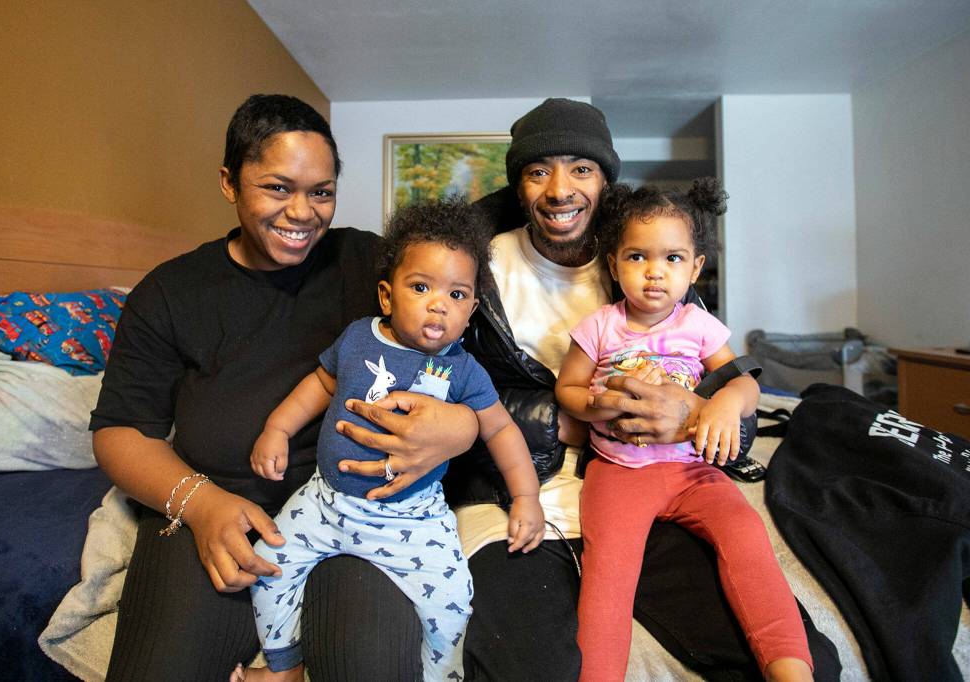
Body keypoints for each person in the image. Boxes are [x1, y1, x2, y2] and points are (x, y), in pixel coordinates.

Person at [430, 98, 838, 681]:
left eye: (581, 169)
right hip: (518, 493)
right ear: (518, 185)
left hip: (659, 480)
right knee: (530, 667)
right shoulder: (475, 263)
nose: (559, 190)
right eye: (538, 170)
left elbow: (737, 408)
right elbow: (434, 382)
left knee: (808, 662)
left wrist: (693, 412)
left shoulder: (651, 265)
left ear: (606, 181)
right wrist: (570, 420)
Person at [90, 94, 481, 681]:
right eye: (277, 188)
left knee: (367, 662)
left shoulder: (370, 263)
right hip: (222, 508)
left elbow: (461, 356)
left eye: (321, 191)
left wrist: (461, 428)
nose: (302, 212)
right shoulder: (171, 293)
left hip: (361, 514)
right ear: (229, 182)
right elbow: (120, 431)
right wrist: (200, 505)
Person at [233, 198, 544, 682]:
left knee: (454, 604)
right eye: (421, 287)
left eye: (457, 295)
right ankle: (284, 667)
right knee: (266, 565)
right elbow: (319, 384)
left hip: (411, 519)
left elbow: (501, 428)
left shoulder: (464, 371)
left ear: (472, 311)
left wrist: (526, 497)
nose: (439, 303)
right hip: (325, 502)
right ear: (386, 295)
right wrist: (277, 428)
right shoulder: (359, 338)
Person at [555, 180, 813, 681]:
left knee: (747, 538)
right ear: (613, 265)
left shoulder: (699, 325)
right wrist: (596, 404)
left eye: (673, 258)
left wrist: (724, 403)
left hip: (694, 471)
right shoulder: (600, 326)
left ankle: (791, 668)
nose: (655, 272)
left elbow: (746, 383)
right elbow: (567, 388)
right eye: (637, 257)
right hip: (619, 471)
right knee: (608, 575)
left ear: (694, 268)